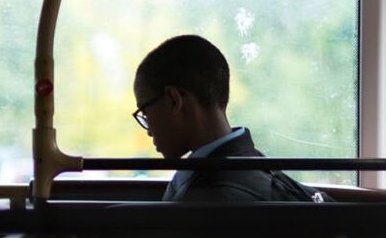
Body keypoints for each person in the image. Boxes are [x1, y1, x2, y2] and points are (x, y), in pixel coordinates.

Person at [132, 34, 328, 203]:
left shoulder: (206, 199)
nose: (148, 130)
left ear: (174, 101)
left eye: (146, 113)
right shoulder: (255, 165)